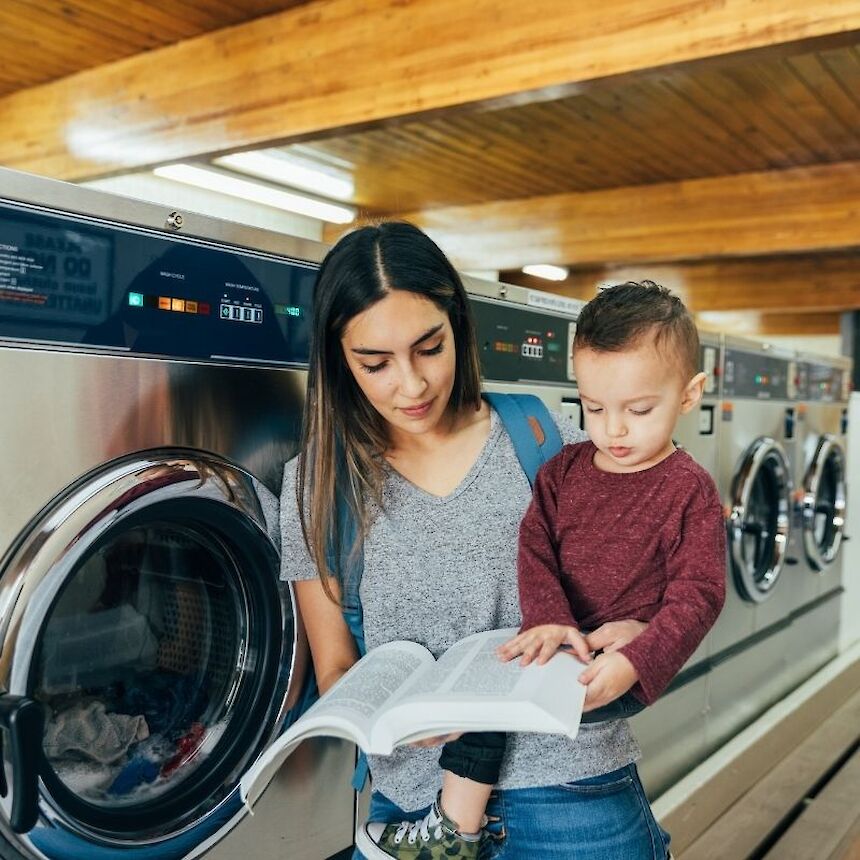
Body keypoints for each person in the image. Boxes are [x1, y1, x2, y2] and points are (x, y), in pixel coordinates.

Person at [281, 223, 672, 860]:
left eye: (429, 348)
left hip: (571, 798)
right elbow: (336, 670)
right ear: (337, 360)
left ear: (458, 326)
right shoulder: (316, 487)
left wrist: (639, 633)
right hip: (411, 807)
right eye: (375, 364)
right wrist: (400, 721)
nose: (410, 385)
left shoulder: (548, 443)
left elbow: (652, 586)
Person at [389, 280, 727, 858]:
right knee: (486, 685)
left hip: (616, 666)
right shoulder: (566, 468)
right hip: (562, 644)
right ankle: (456, 827)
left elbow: (700, 593)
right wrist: (547, 619)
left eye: (639, 410)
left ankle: (452, 831)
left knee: (490, 705)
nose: (614, 430)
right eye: (593, 408)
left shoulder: (688, 489)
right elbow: (535, 546)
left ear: (690, 394)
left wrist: (637, 658)